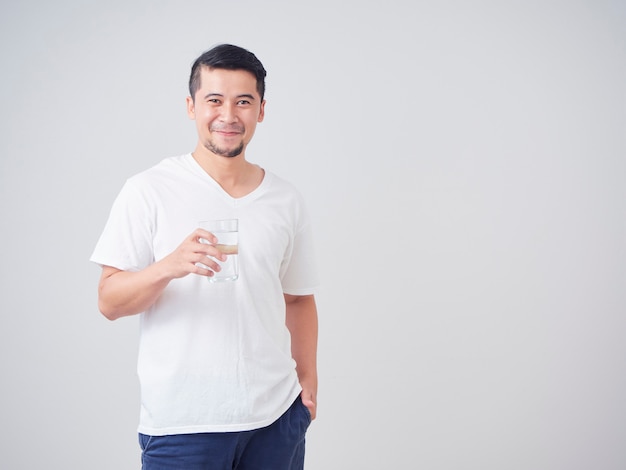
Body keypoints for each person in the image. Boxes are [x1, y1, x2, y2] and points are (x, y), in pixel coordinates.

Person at [90, 44, 320, 469]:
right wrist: (167, 267)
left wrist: (307, 384)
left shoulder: (285, 198)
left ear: (261, 111)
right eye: (214, 100)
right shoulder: (150, 190)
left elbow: (298, 298)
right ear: (191, 106)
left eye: (243, 102)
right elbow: (108, 301)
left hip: (275, 419)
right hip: (183, 425)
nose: (228, 115)